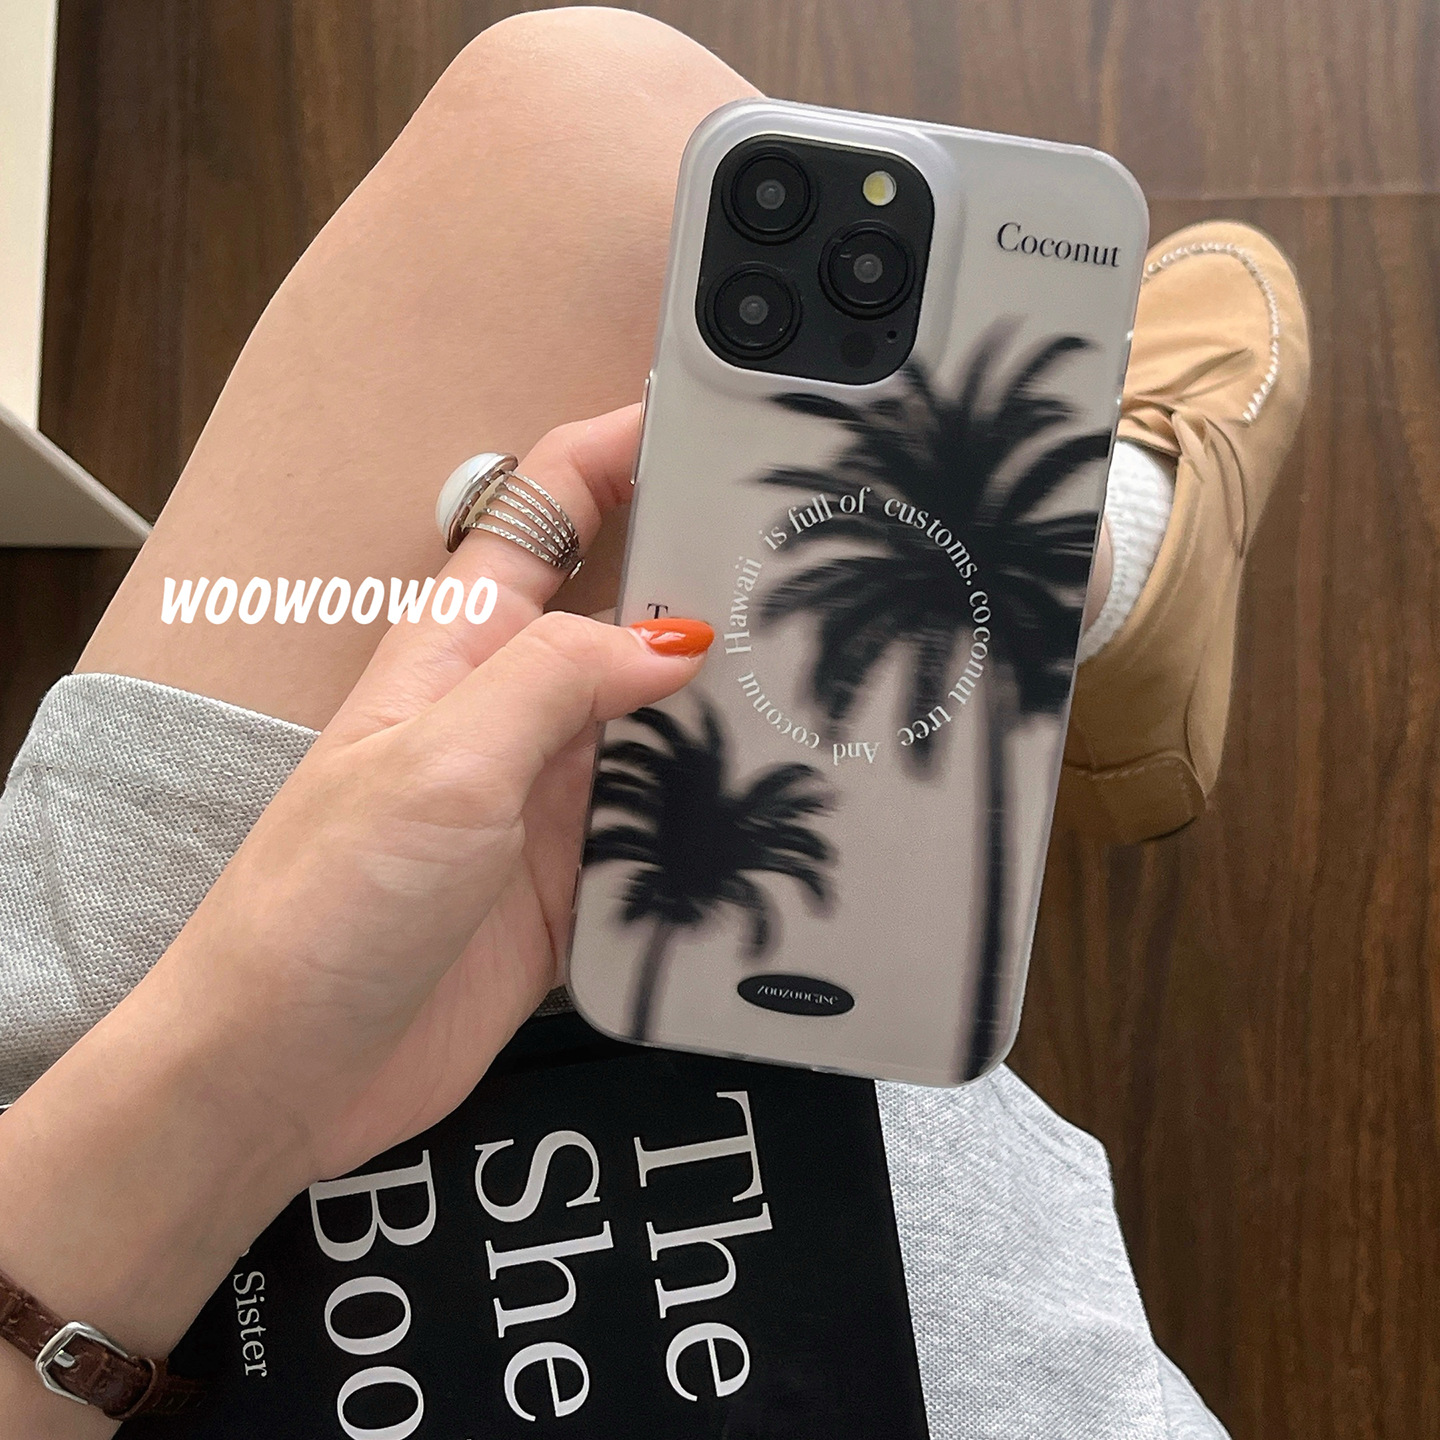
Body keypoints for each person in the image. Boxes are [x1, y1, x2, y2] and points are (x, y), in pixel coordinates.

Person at [0, 9, 1307, 1436]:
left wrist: (242, 1079)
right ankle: (1106, 583)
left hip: (83, 1173)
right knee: (626, 197)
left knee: (581, 140)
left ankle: (1098, 596)